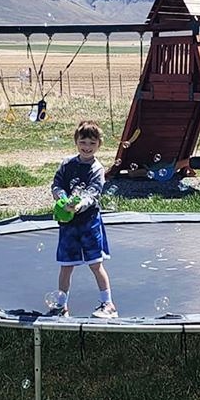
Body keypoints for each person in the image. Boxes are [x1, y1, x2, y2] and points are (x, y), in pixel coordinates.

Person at [50, 119, 118, 318]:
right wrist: (62, 198)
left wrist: (78, 205)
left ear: (98, 145)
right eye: (83, 142)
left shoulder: (97, 169)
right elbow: (57, 184)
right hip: (68, 223)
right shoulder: (67, 164)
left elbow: (92, 193)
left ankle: (108, 305)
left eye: (92, 143)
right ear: (76, 141)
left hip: (89, 222)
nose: (87, 147)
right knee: (66, 266)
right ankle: (61, 306)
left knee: (96, 264)